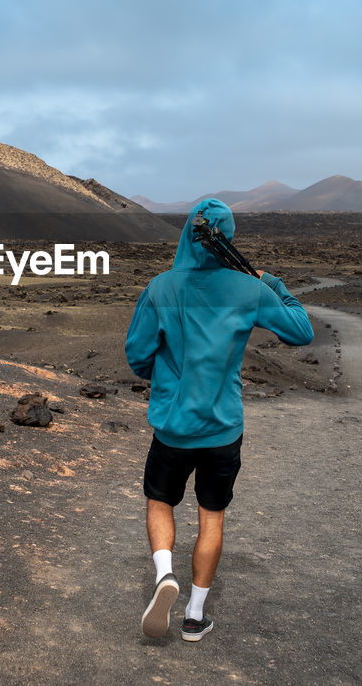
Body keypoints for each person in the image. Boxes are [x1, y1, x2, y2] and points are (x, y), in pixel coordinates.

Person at [125, 198, 314, 641]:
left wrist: (169, 377)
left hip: (173, 428)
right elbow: (301, 331)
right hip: (223, 429)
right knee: (212, 517)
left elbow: (137, 357)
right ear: (227, 238)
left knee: (159, 502)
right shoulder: (249, 290)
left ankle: (164, 575)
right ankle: (194, 615)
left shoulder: (161, 289)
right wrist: (273, 282)